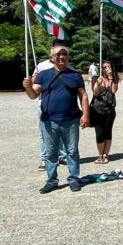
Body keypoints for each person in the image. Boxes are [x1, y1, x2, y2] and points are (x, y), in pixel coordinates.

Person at [23, 45, 90, 194]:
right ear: (51, 58)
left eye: (64, 54)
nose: (61, 57)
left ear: (68, 57)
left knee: (72, 151)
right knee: (50, 153)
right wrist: (27, 87)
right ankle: (51, 181)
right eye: (58, 54)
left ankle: (74, 179)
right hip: (48, 120)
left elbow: (83, 96)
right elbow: (33, 95)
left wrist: (86, 115)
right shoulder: (43, 75)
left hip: (71, 119)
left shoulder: (75, 75)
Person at [33, 41, 68, 170]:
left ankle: (63, 156)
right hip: (44, 103)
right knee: (45, 133)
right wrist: (31, 81)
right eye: (56, 48)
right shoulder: (42, 66)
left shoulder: (66, 65)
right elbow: (34, 83)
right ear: (52, 51)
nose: (60, 54)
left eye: (62, 51)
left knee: (63, 131)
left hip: (63, 107)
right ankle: (44, 157)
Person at [90, 60, 118, 165]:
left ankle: (106, 155)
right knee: (99, 133)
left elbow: (113, 91)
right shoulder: (97, 78)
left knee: (108, 132)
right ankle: (100, 155)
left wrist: (110, 77)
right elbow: (95, 93)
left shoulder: (114, 79)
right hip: (97, 110)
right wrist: (97, 83)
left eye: (108, 67)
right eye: (104, 67)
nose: (106, 69)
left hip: (109, 110)